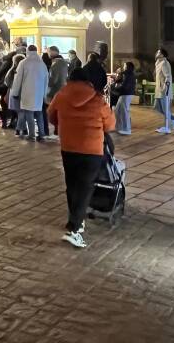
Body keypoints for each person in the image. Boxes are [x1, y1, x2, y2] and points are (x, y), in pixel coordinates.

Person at [48, 67, 116, 249]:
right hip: (91, 149)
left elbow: (51, 115)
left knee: (72, 185)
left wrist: (64, 123)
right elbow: (110, 124)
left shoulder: (61, 95)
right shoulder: (97, 99)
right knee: (85, 188)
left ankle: (75, 219)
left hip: (68, 147)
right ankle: (74, 229)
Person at [13, 45, 49, 140]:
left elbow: (18, 79)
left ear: (28, 51)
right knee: (39, 113)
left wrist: (15, 92)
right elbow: (46, 80)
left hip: (27, 92)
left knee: (29, 113)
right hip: (39, 93)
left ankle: (31, 134)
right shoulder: (42, 64)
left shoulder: (24, 63)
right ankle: (41, 134)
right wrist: (44, 94)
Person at [153, 48, 174, 133]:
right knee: (157, 107)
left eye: (159, 52)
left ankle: (168, 126)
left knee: (165, 108)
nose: (157, 53)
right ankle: (173, 120)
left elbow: (167, 76)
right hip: (158, 90)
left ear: (163, 54)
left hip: (164, 90)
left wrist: (165, 88)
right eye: (157, 52)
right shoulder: (158, 63)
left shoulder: (164, 63)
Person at [45, 46, 68, 139]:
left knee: (54, 112)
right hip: (62, 90)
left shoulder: (56, 64)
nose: (48, 54)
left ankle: (57, 132)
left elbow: (53, 80)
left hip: (55, 91)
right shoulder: (63, 63)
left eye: (49, 52)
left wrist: (46, 83)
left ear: (53, 52)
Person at [4, 53, 26, 130]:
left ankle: (19, 127)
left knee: (18, 111)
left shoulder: (11, 71)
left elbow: (7, 82)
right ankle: (21, 128)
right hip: (23, 92)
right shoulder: (25, 70)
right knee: (22, 111)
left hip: (13, 92)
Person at [112, 61, 135, 135]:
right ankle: (119, 127)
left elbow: (124, 85)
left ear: (128, 67)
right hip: (126, 94)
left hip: (126, 94)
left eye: (125, 65)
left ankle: (127, 129)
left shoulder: (127, 74)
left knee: (124, 112)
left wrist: (115, 89)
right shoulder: (129, 74)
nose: (123, 67)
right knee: (118, 110)